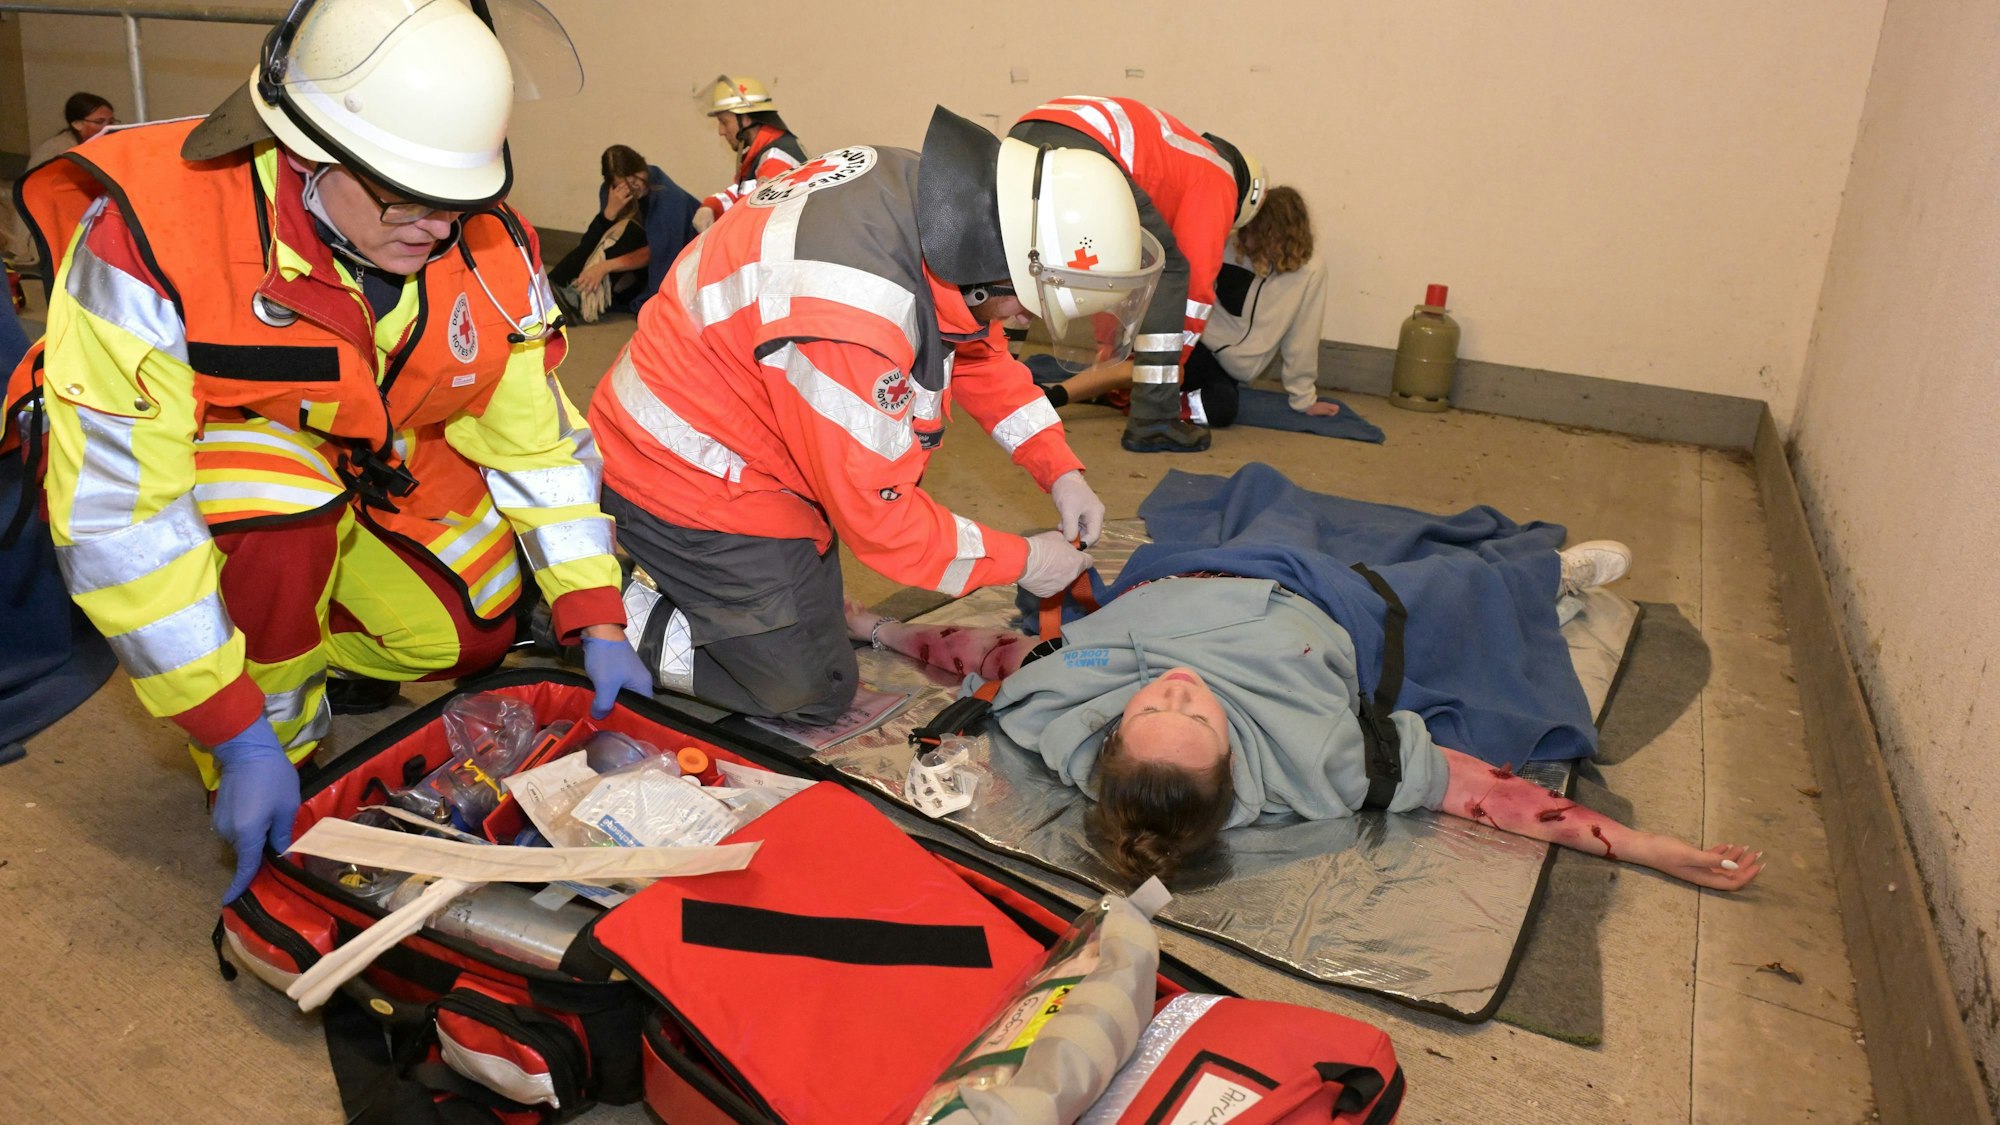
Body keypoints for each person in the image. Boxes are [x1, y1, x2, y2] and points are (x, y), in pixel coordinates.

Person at [1, 0, 649, 903]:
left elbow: (536, 444)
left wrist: (597, 611)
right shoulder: (153, 237)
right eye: (403, 197)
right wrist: (236, 732)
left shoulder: (485, 242)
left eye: (457, 202)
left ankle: (316, 641)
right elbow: (124, 514)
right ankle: (275, 734)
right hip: (218, 481)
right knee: (278, 502)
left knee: (478, 621)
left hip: (360, 468)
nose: (433, 228)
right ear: (305, 151)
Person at [847, 471, 1763, 891]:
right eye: (1193, 714)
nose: (1174, 685)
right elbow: (1487, 794)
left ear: (1111, 735)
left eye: (1152, 706)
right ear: (1235, 759)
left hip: (1200, 563)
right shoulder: (1324, 757)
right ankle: (1545, 578)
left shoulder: (1068, 697)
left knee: (1261, 484)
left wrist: (879, 626)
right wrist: (1644, 848)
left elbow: (984, 656)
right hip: (1331, 605)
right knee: (1457, 589)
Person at [587, 106, 1162, 724]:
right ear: (991, 272)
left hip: (737, 425)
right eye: (1027, 307)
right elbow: (882, 524)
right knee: (808, 690)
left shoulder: (943, 208)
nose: (1027, 323)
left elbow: (976, 352)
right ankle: (593, 609)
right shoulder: (853, 316)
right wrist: (1027, 560)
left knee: (813, 618)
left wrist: (1060, 469)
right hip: (682, 471)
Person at [1010, 96, 1266, 453]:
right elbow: (1194, 287)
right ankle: (1154, 421)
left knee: (1015, 253)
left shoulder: (1179, 158)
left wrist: (1108, 342)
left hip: (1027, 131)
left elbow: (1116, 264)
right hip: (1086, 146)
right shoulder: (1219, 176)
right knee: (1173, 271)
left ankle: (996, 375)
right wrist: (1173, 365)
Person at [1184, 186, 1339, 429]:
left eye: (1259, 231)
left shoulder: (1310, 270)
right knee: (1166, 375)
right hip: (1194, 345)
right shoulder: (1226, 246)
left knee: (1221, 410)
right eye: (1247, 226)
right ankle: (1139, 392)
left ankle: (1164, 402)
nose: (1246, 238)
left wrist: (1304, 399)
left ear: (1282, 234)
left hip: (1227, 370)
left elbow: (1303, 337)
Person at [546, 144, 694, 322]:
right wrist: (609, 214)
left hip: (673, 263)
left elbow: (660, 251)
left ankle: (579, 299)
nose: (633, 189)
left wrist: (604, 267)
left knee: (627, 231)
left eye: (635, 181)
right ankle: (550, 288)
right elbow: (592, 244)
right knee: (607, 237)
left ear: (643, 167)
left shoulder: (669, 198)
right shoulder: (613, 194)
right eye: (623, 185)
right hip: (635, 267)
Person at [691, 74, 804, 233]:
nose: (721, 131)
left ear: (745, 119)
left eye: (724, 122)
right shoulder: (765, 151)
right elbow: (742, 194)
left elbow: (757, 220)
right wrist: (712, 205)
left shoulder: (775, 159)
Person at [27, 92, 116, 168]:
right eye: (99, 122)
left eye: (111, 122)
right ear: (77, 124)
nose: (108, 127)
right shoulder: (59, 149)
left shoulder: (102, 144)